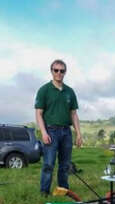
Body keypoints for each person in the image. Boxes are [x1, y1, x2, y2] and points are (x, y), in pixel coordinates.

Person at [35, 59, 83, 196]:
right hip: (50, 131)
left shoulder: (70, 91)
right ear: (51, 71)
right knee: (49, 163)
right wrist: (44, 132)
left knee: (65, 164)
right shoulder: (44, 90)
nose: (59, 73)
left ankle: (63, 190)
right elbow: (38, 113)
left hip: (66, 132)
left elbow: (73, 114)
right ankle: (44, 191)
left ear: (65, 72)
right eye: (56, 70)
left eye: (62, 71)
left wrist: (78, 133)